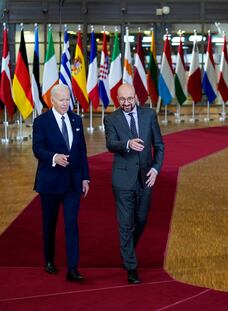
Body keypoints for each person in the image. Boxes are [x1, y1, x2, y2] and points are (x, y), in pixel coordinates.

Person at [104, 83, 164, 284]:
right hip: (122, 180)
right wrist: (127, 144)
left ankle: (127, 250)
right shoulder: (111, 118)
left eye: (130, 99)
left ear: (136, 97)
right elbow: (111, 144)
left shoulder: (149, 115)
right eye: (122, 100)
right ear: (117, 100)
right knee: (125, 224)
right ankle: (131, 266)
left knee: (141, 220)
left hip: (146, 178)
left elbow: (159, 146)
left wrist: (155, 169)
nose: (126, 103)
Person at [32, 84, 90, 282]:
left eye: (68, 99)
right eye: (61, 100)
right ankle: (49, 259)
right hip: (50, 182)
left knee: (71, 224)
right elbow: (37, 149)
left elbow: (81, 150)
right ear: (52, 101)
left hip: (73, 183)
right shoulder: (41, 122)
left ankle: (72, 268)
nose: (66, 103)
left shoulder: (76, 119)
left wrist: (85, 177)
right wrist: (54, 157)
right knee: (50, 223)